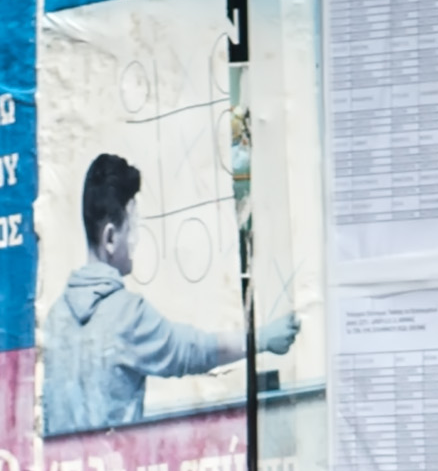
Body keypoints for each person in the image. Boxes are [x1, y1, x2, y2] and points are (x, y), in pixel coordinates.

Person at [43, 151, 300, 436]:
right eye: (133, 227)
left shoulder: (54, 318)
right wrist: (261, 339)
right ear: (111, 238)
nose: (137, 240)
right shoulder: (128, 315)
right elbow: (194, 350)